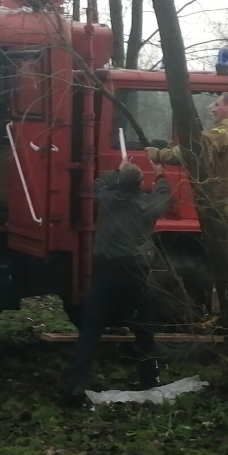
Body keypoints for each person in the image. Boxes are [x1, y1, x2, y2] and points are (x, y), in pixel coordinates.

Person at [62, 157, 172, 405]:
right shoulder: (146, 206)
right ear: (141, 183)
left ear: (120, 182)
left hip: (106, 275)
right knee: (144, 331)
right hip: (135, 276)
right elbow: (164, 196)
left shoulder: (107, 200)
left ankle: (78, 384)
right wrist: (160, 174)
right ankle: (149, 380)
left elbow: (97, 184)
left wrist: (117, 169)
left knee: (90, 332)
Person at [145, 91, 228, 310]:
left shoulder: (227, 129)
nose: (211, 109)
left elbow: (196, 148)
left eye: (216, 104)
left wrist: (157, 154)